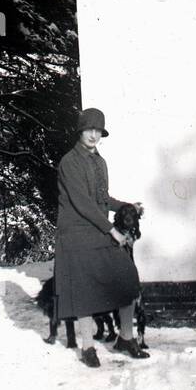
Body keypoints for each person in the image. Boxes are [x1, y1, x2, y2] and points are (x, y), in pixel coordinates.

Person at [54, 108, 148, 367]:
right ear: (80, 131)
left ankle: (126, 338)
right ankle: (87, 347)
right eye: (89, 130)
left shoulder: (100, 162)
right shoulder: (69, 162)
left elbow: (102, 199)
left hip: (96, 227)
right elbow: (83, 203)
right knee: (84, 288)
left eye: (98, 131)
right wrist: (112, 230)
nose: (94, 135)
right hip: (75, 233)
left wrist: (127, 206)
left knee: (127, 276)